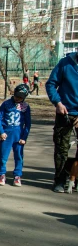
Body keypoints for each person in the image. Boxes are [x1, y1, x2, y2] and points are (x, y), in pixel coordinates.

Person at [46, 49, 78, 193]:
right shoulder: (65, 64)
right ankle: (60, 180)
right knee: (61, 148)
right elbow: (51, 84)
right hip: (64, 112)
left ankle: (75, 178)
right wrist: (58, 103)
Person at [0, 84, 31, 187]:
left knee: (19, 156)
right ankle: (2, 174)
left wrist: (24, 137)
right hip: (6, 134)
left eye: (21, 97)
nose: (18, 98)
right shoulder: (6, 104)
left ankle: (17, 176)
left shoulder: (25, 107)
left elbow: (28, 124)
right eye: (17, 96)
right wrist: (1, 132)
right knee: (3, 156)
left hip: (19, 135)